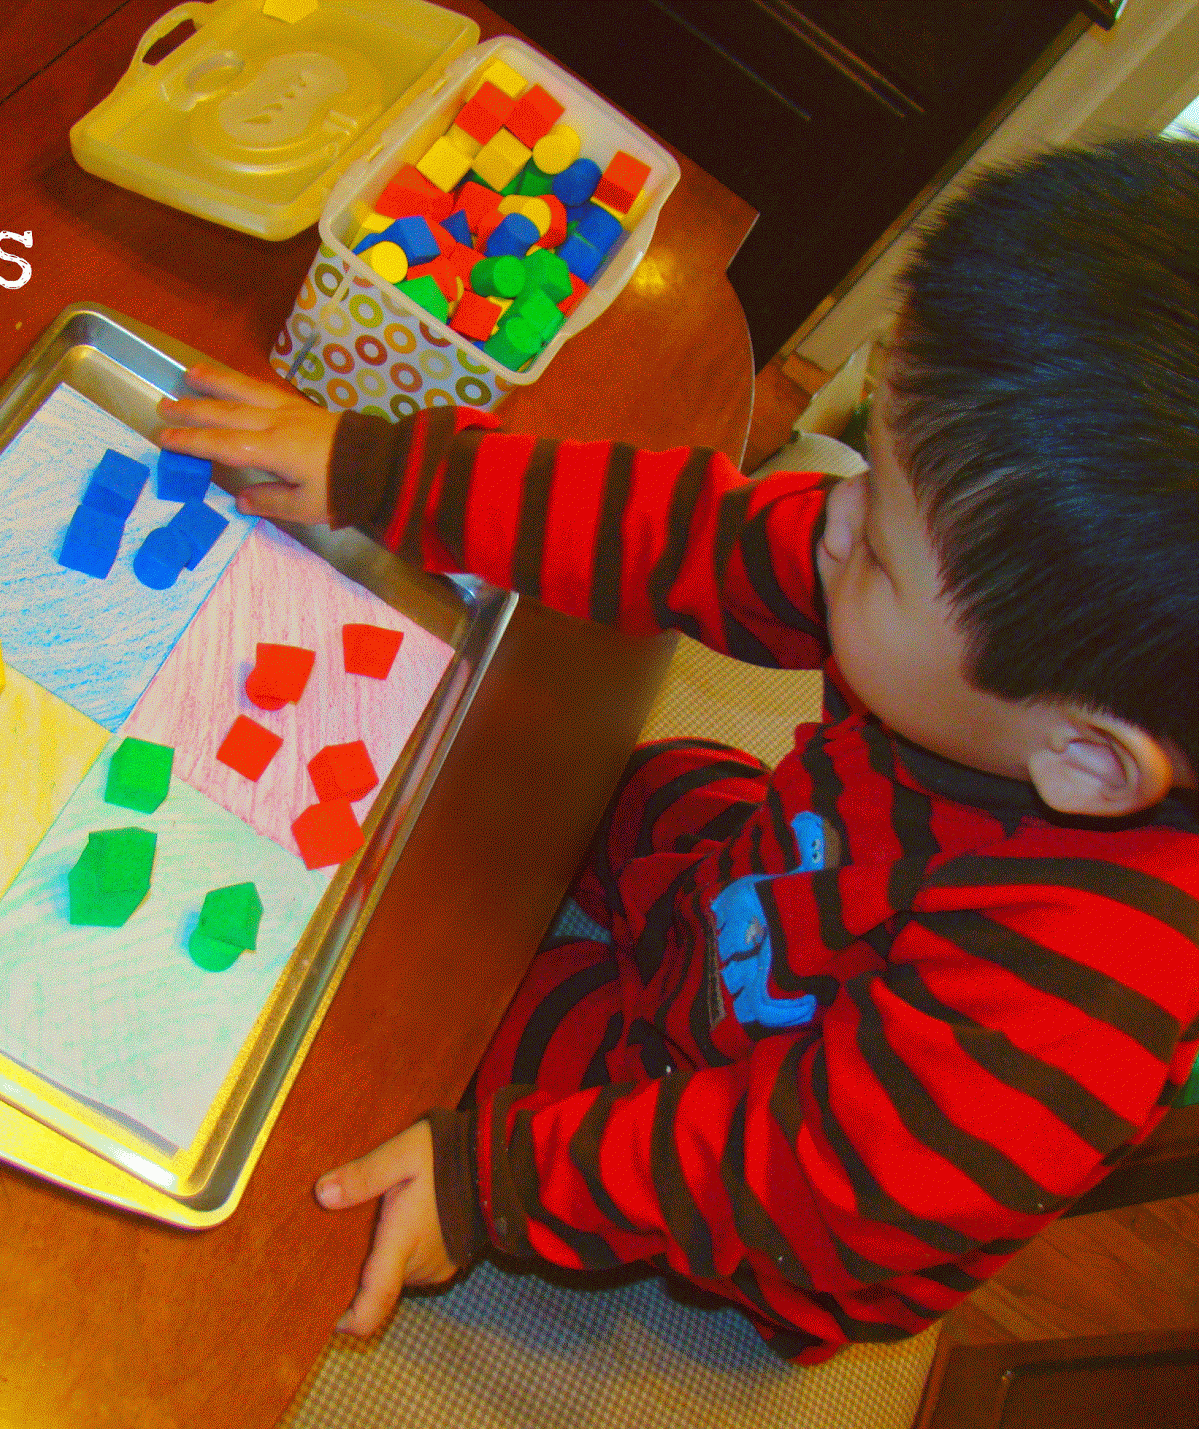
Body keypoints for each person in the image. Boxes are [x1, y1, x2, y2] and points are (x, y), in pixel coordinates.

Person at [155, 136, 1199, 1362]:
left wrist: (500, 1181)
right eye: (864, 472)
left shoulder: (1083, 992)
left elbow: (807, 1182)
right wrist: (376, 469)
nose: (828, 515)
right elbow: (681, 531)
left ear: (1086, 762)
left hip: (795, 1156)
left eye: (876, 546)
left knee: (419, 1041)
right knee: (586, 780)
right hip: (781, 883)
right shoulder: (993, 641)